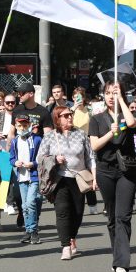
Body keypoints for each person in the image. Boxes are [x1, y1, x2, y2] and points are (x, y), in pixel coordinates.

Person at [89, 81, 136, 272]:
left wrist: (121, 100)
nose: (111, 96)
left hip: (127, 170)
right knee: (112, 218)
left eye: (115, 93)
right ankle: (117, 254)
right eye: (108, 93)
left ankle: (122, 263)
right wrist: (111, 131)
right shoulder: (97, 119)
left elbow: (133, 122)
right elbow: (95, 146)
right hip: (105, 171)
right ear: (103, 95)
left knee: (123, 216)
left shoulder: (126, 115)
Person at [37, 105, 96, 261]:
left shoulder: (81, 134)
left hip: (79, 178)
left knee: (77, 213)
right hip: (60, 179)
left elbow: (90, 158)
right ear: (57, 118)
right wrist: (55, 159)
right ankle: (65, 246)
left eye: (70, 114)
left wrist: (95, 178)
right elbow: (40, 158)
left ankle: (72, 237)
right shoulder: (49, 136)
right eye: (65, 115)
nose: (70, 117)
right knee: (62, 211)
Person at [9, 113, 43, 245]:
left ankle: (33, 231)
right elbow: (11, 158)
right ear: (16, 126)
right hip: (22, 177)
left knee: (30, 203)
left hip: (33, 176)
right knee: (24, 206)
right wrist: (15, 162)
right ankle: (29, 230)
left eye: (25, 125)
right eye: (19, 125)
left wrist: (33, 164)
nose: (22, 128)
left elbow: (42, 158)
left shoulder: (37, 139)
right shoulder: (15, 141)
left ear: (29, 125)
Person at [72, 86, 98, 214]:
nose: (79, 99)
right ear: (73, 98)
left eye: (81, 97)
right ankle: (78, 202)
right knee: (76, 172)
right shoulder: (70, 110)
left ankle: (92, 203)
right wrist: (73, 108)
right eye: (76, 97)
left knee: (88, 171)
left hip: (88, 142)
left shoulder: (90, 110)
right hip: (73, 144)